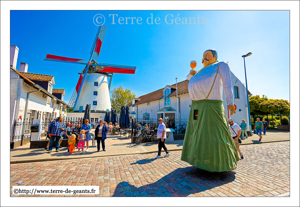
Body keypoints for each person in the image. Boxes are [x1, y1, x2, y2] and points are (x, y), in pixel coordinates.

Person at [181, 49, 239, 172]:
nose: (204, 57)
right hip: (196, 106)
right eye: (203, 55)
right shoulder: (200, 71)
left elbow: (228, 84)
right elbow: (188, 78)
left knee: (215, 133)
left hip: (211, 104)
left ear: (215, 56)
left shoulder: (220, 65)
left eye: (207, 55)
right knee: (197, 133)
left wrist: (230, 102)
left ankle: (221, 163)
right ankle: (198, 160)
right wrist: (191, 73)